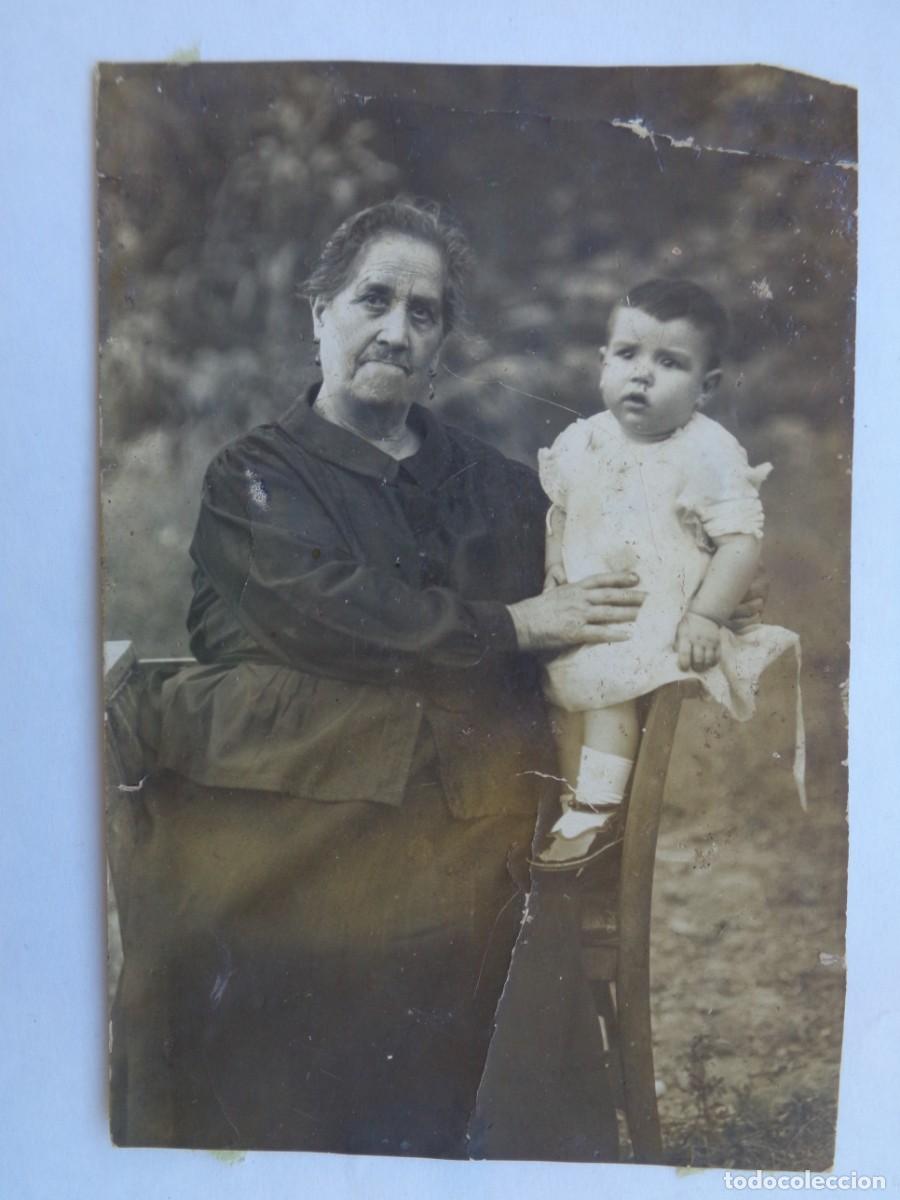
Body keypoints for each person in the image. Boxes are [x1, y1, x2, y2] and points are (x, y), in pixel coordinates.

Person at [110, 196, 655, 1160]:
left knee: (424, 933)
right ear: (320, 312)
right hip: (285, 805)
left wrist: (701, 573)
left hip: (457, 814)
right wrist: (509, 626)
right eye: (374, 300)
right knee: (227, 941)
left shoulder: (495, 486)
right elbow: (326, 614)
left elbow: (606, 578)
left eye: (424, 313)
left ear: (440, 344)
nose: (397, 331)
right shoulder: (254, 478)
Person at [532, 279, 801, 870]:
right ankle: (576, 804)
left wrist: (705, 615)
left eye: (670, 362)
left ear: (706, 386)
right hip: (589, 606)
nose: (642, 375)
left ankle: (597, 811)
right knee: (564, 699)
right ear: (603, 361)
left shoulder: (708, 451)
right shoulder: (582, 439)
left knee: (606, 691)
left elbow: (739, 541)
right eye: (628, 354)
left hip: (658, 615)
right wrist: (556, 565)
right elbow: (561, 511)